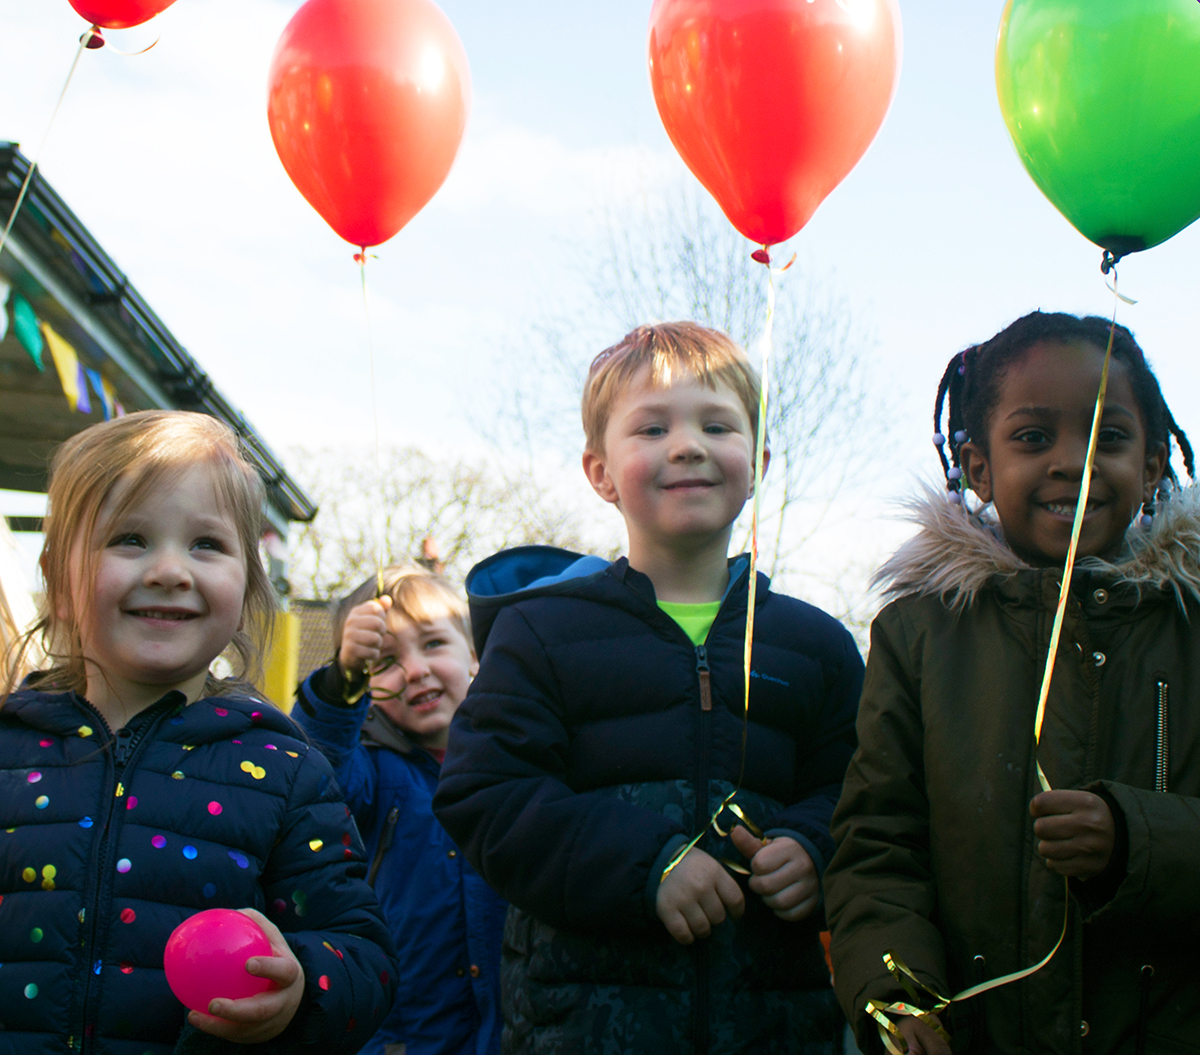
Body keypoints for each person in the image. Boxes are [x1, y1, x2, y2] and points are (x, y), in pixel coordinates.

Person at [433, 321, 863, 1054]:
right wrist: (646, 865)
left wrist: (813, 848)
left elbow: (861, 794)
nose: (687, 444)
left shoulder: (816, 645)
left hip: (775, 1024)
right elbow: (486, 794)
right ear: (600, 472)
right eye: (653, 427)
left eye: (716, 424)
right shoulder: (540, 632)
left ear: (756, 460)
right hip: (581, 1026)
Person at [824, 311, 1200, 1055]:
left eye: (1109, 438)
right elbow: (878, 844)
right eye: (1033, 438)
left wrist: (1136, 838)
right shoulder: (919, 635)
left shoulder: (1189, 626)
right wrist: (898, 994)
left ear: (1153, 465)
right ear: (977, 466)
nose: (1072, 461)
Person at [0, 410, 399, 1055]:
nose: (169, 570)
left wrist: (299, 989)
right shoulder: (7, 750)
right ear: (58, 576)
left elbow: (363, 954)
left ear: (247, 586)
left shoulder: (285, 771)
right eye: (129, 539)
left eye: (206, 545)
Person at [293, 565, 505, 1055]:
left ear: (473, 655)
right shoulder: (370, 769)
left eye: (433, 645)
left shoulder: (512, 760)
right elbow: (319, 772)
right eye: (385, 661)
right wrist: (339, 683)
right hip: (405, 1035)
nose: (414, 671)